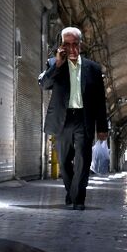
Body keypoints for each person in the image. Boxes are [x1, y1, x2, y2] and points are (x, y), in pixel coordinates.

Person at [39, 27, 109, 210]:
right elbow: (45, 84)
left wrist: (102, 127)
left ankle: (78, 199)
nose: (71, 48)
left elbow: (101, 100)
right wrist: (58, 64)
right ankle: (71, 192)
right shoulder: (54, 63)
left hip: (84, 119)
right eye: (67, 45)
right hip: (63, 119)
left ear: (81, 44)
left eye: (74, 44)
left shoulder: (93, 69)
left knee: (83, 160)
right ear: (61, 45)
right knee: (63, 161)